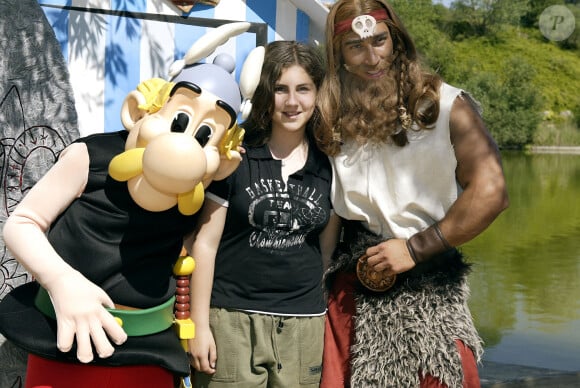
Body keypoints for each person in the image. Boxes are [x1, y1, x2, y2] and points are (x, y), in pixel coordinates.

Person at [0, 22, 254, 387]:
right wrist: (62, 281)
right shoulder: (91, 155)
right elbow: (22, 222)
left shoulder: (202, 186)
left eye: (204, 135)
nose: (185, 147)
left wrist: (196, 325)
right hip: (63, 339)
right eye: (180, 120)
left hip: (149, 350)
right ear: (137, 111)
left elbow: (204, 247)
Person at [317, 1, 509, 387]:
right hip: (350, 289)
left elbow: (491, 191)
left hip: (429, 283)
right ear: (339, 54)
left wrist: (416, 247)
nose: (372, 58)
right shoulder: (330, 110)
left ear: (396, 40)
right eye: (355, 46)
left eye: (379, 41)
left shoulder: (445, 105)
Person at [187, 40, 341, 388]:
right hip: (230, 321)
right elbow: (205, 245)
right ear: (263, 94)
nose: (292, 102)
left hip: (302, 328)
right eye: (280, 89)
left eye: (303, 89)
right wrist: (198, 325)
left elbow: (327, 254)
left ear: (317, 94)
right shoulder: (235, 156)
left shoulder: (331, 165)